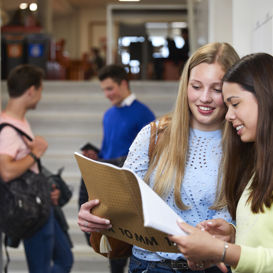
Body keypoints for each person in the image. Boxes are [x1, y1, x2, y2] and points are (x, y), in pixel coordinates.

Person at [78, 42, 240, 273]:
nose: (204, 98)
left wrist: (230, 231)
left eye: (217, 89)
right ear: (185, 86)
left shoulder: (245, 142)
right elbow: (122, 198)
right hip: (149, 265)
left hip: (212, 267)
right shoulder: (155, 134)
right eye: (196, 86)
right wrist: (96, 215)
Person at [169, 53, 273, 273]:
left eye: (235, 103)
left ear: (265, 97)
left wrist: (222, 250)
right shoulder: (261, 162)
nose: (228, 115)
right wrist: (234, 234)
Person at [78, 64, 155, 273]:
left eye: (110, 88)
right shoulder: (108, 115)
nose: (107, 94)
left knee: (134, 249)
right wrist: (96, 156)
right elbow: (107, 150)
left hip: (132, 189)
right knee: (113, 250)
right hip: (110, 183)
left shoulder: (143, 113)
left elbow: (154, 155)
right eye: (104, 89)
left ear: (124, 84)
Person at [0, 64, 73, 273]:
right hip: (30, 209)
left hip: (40, 203)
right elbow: (6, 171)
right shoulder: (8, 130)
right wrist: (36, 153)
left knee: (64, 259)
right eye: (40, 90)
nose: (40, 96)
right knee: (41, 268)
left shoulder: (19, 121)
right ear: (31, 90)